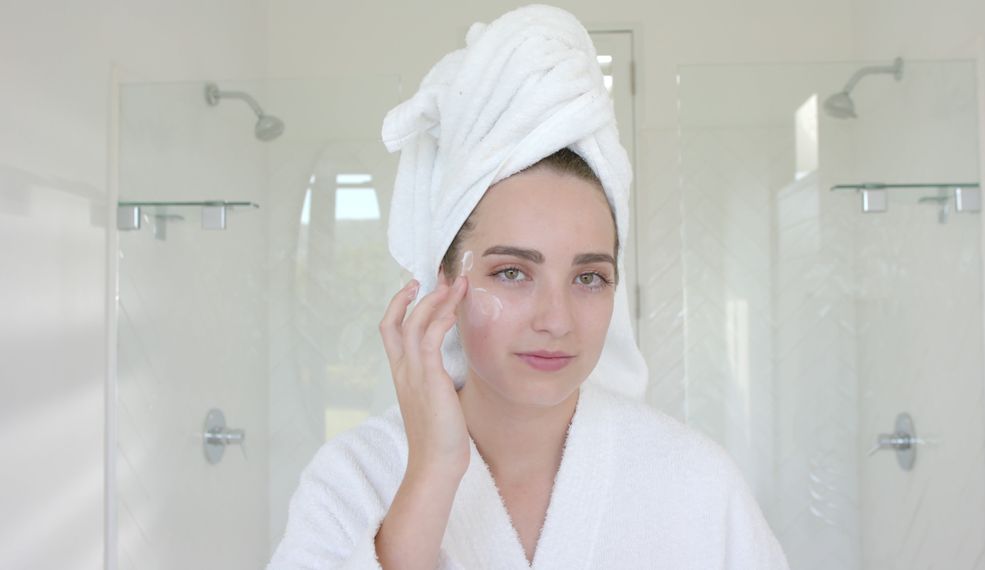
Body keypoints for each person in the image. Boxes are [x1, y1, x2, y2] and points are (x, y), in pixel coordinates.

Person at [268, 5, 788, 569]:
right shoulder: (354, 480)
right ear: (445, 282)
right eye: (512, 272)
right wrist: (435, 469)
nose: (556, 319)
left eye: (588, 277)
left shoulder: (696, 483)